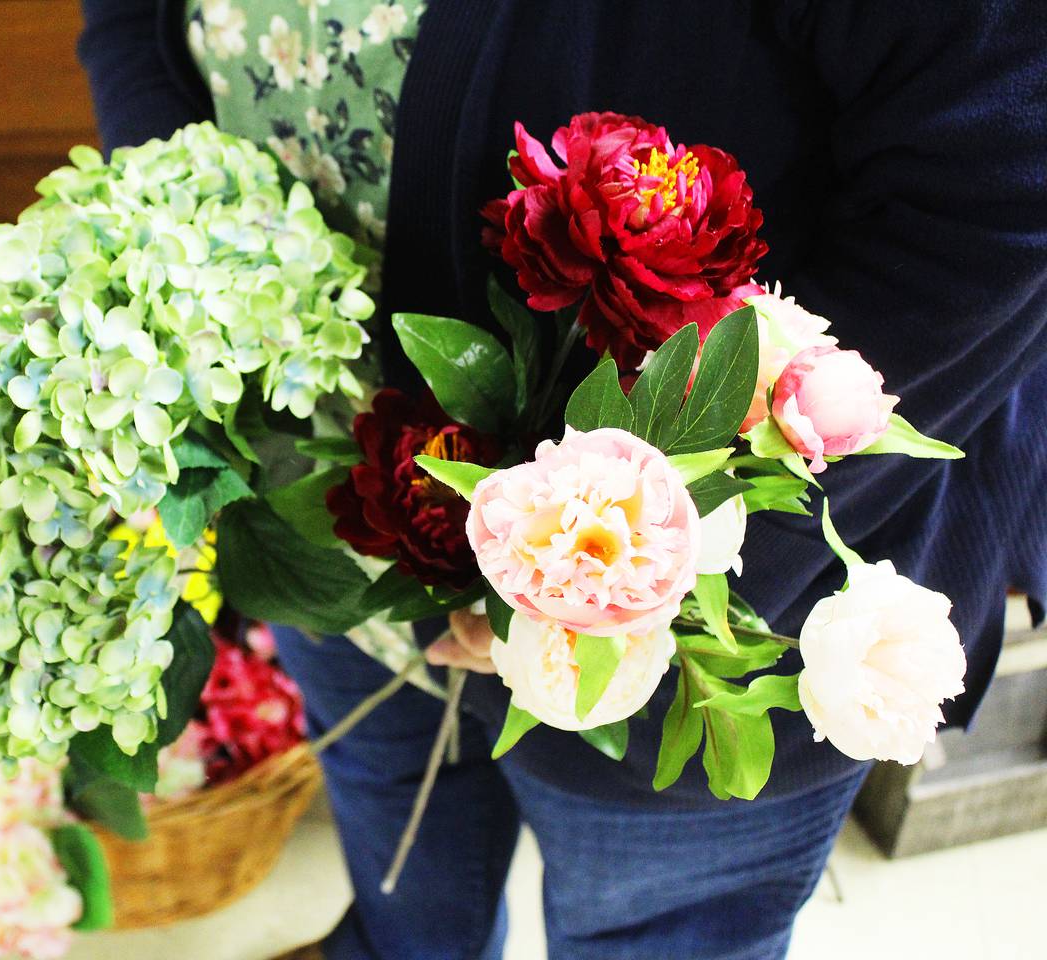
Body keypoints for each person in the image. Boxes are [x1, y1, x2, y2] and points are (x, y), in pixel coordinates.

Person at [78, 2, 1047, 957]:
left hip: (682, 597)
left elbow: (1001, 184)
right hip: (326, 518)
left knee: (658, 929)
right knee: (399, 879)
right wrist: (181, 218)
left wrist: (680, 557)